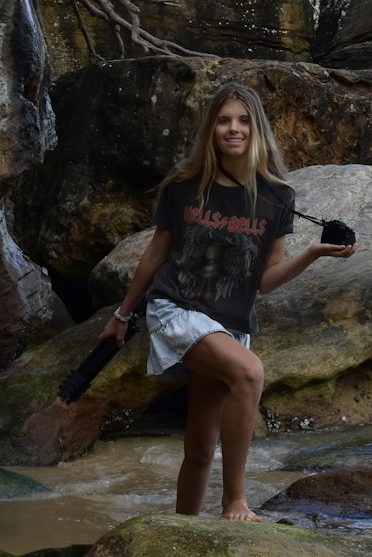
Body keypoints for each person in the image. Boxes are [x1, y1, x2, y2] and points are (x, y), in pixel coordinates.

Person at [98, 81, 357, 522]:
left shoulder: (277, 196)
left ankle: (182, 531)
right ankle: (234, 501)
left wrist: (311, 254)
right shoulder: (184, 185)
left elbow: (266, 281)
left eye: (242, 120)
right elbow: (155, 253)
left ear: (256, 128)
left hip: (229, 322)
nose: (232, 129)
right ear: (211, 129)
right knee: (250, 372)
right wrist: (122, 314)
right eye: (223, 121)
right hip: (176, 308)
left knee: (200, 447)